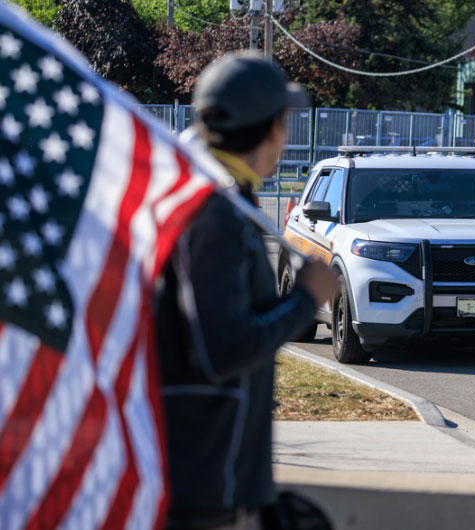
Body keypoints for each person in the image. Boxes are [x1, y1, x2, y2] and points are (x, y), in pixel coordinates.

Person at [156, 52, 338, 530]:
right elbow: (223, 349)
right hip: (201, 484)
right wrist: (304, 300)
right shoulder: (213, 212)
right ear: (275, 126)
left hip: (212, 476)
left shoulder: (220, 198)